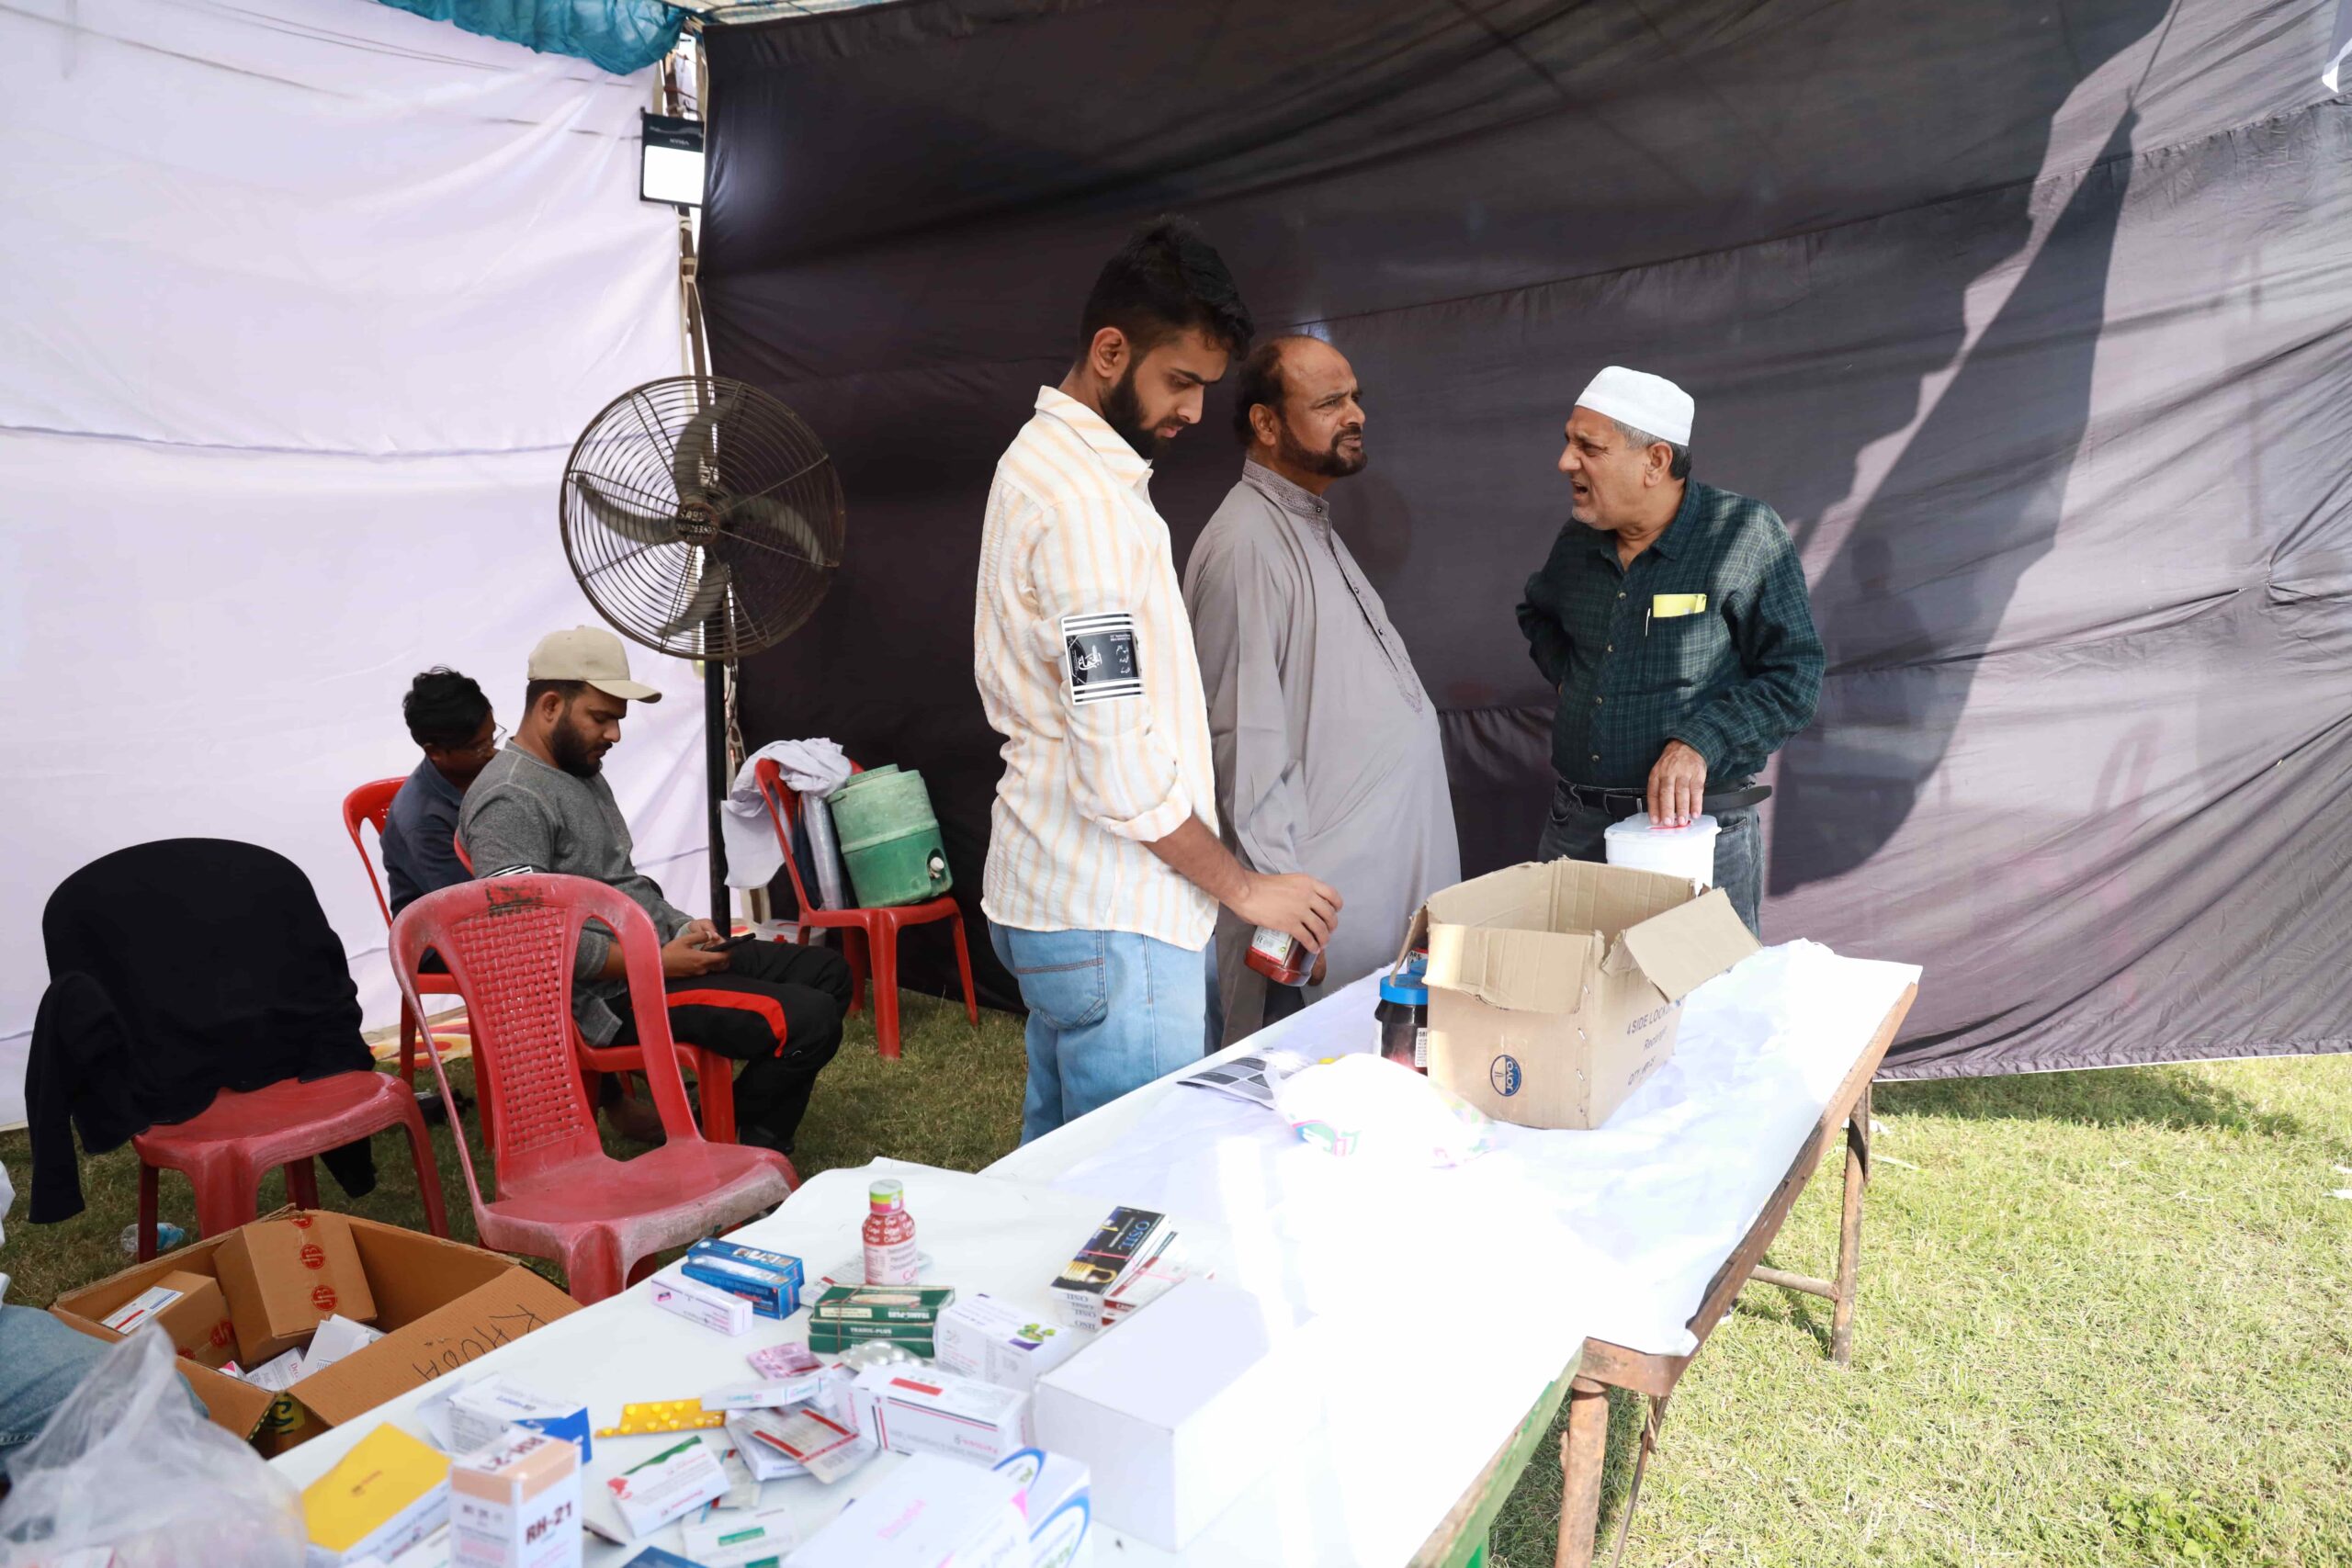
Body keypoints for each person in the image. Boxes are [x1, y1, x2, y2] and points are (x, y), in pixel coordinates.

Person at [975, 217, 1342, 1142]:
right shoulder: (1083, 505)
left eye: (1205, 387)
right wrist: (1244, 889)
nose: (1194, 411)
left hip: (1062, 899)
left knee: (1057, 1182)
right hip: (1114, 914)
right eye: (1180, 381)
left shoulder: (1043, 462)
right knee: (1132, 1193)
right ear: (1111, 351)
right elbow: (1117, 762)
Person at [458, 626, 851, 1156]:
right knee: (808, 1019)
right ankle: (744, 1143)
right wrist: (655, 963)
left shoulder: (579, 771)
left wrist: (681, 926)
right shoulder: (509, 799)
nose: (615, 734)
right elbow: (528, 941)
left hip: (652, 963)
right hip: (611, 1001)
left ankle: (726, 1126)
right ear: (550, 706)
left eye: (617, 719)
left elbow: (623, 883)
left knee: (828, 973)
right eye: (601, 717)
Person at [1184, 335, 1458, 1043]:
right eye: (1330, 402)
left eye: (1355, 397)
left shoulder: (1304, 520)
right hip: (1320, 920)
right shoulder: (1247, 545)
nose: (1355, 414)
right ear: (1266, 424)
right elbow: (1242, 746)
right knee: (1306, 1084)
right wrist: (1285, 918)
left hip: (1373, 900)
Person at [1515, 367, 1824, 935]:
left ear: (1655, 462)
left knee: (1705, 986)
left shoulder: (1743, 533)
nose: (1565, 462)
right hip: (1577, 829)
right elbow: (1537, 614)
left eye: (1589, 447)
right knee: (1569, 982)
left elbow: (1795, 677)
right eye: (1568, 442)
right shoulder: (1577, 542)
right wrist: (1573, 680)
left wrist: (1700, 743)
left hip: (1693, 834)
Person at [381, 667, 499, 915]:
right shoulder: (423, 822)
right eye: (478, 747)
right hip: (443, 924)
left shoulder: (483, 767)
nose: (491, 752)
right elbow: (470, 906)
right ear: (434, 752)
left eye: (493, 737)